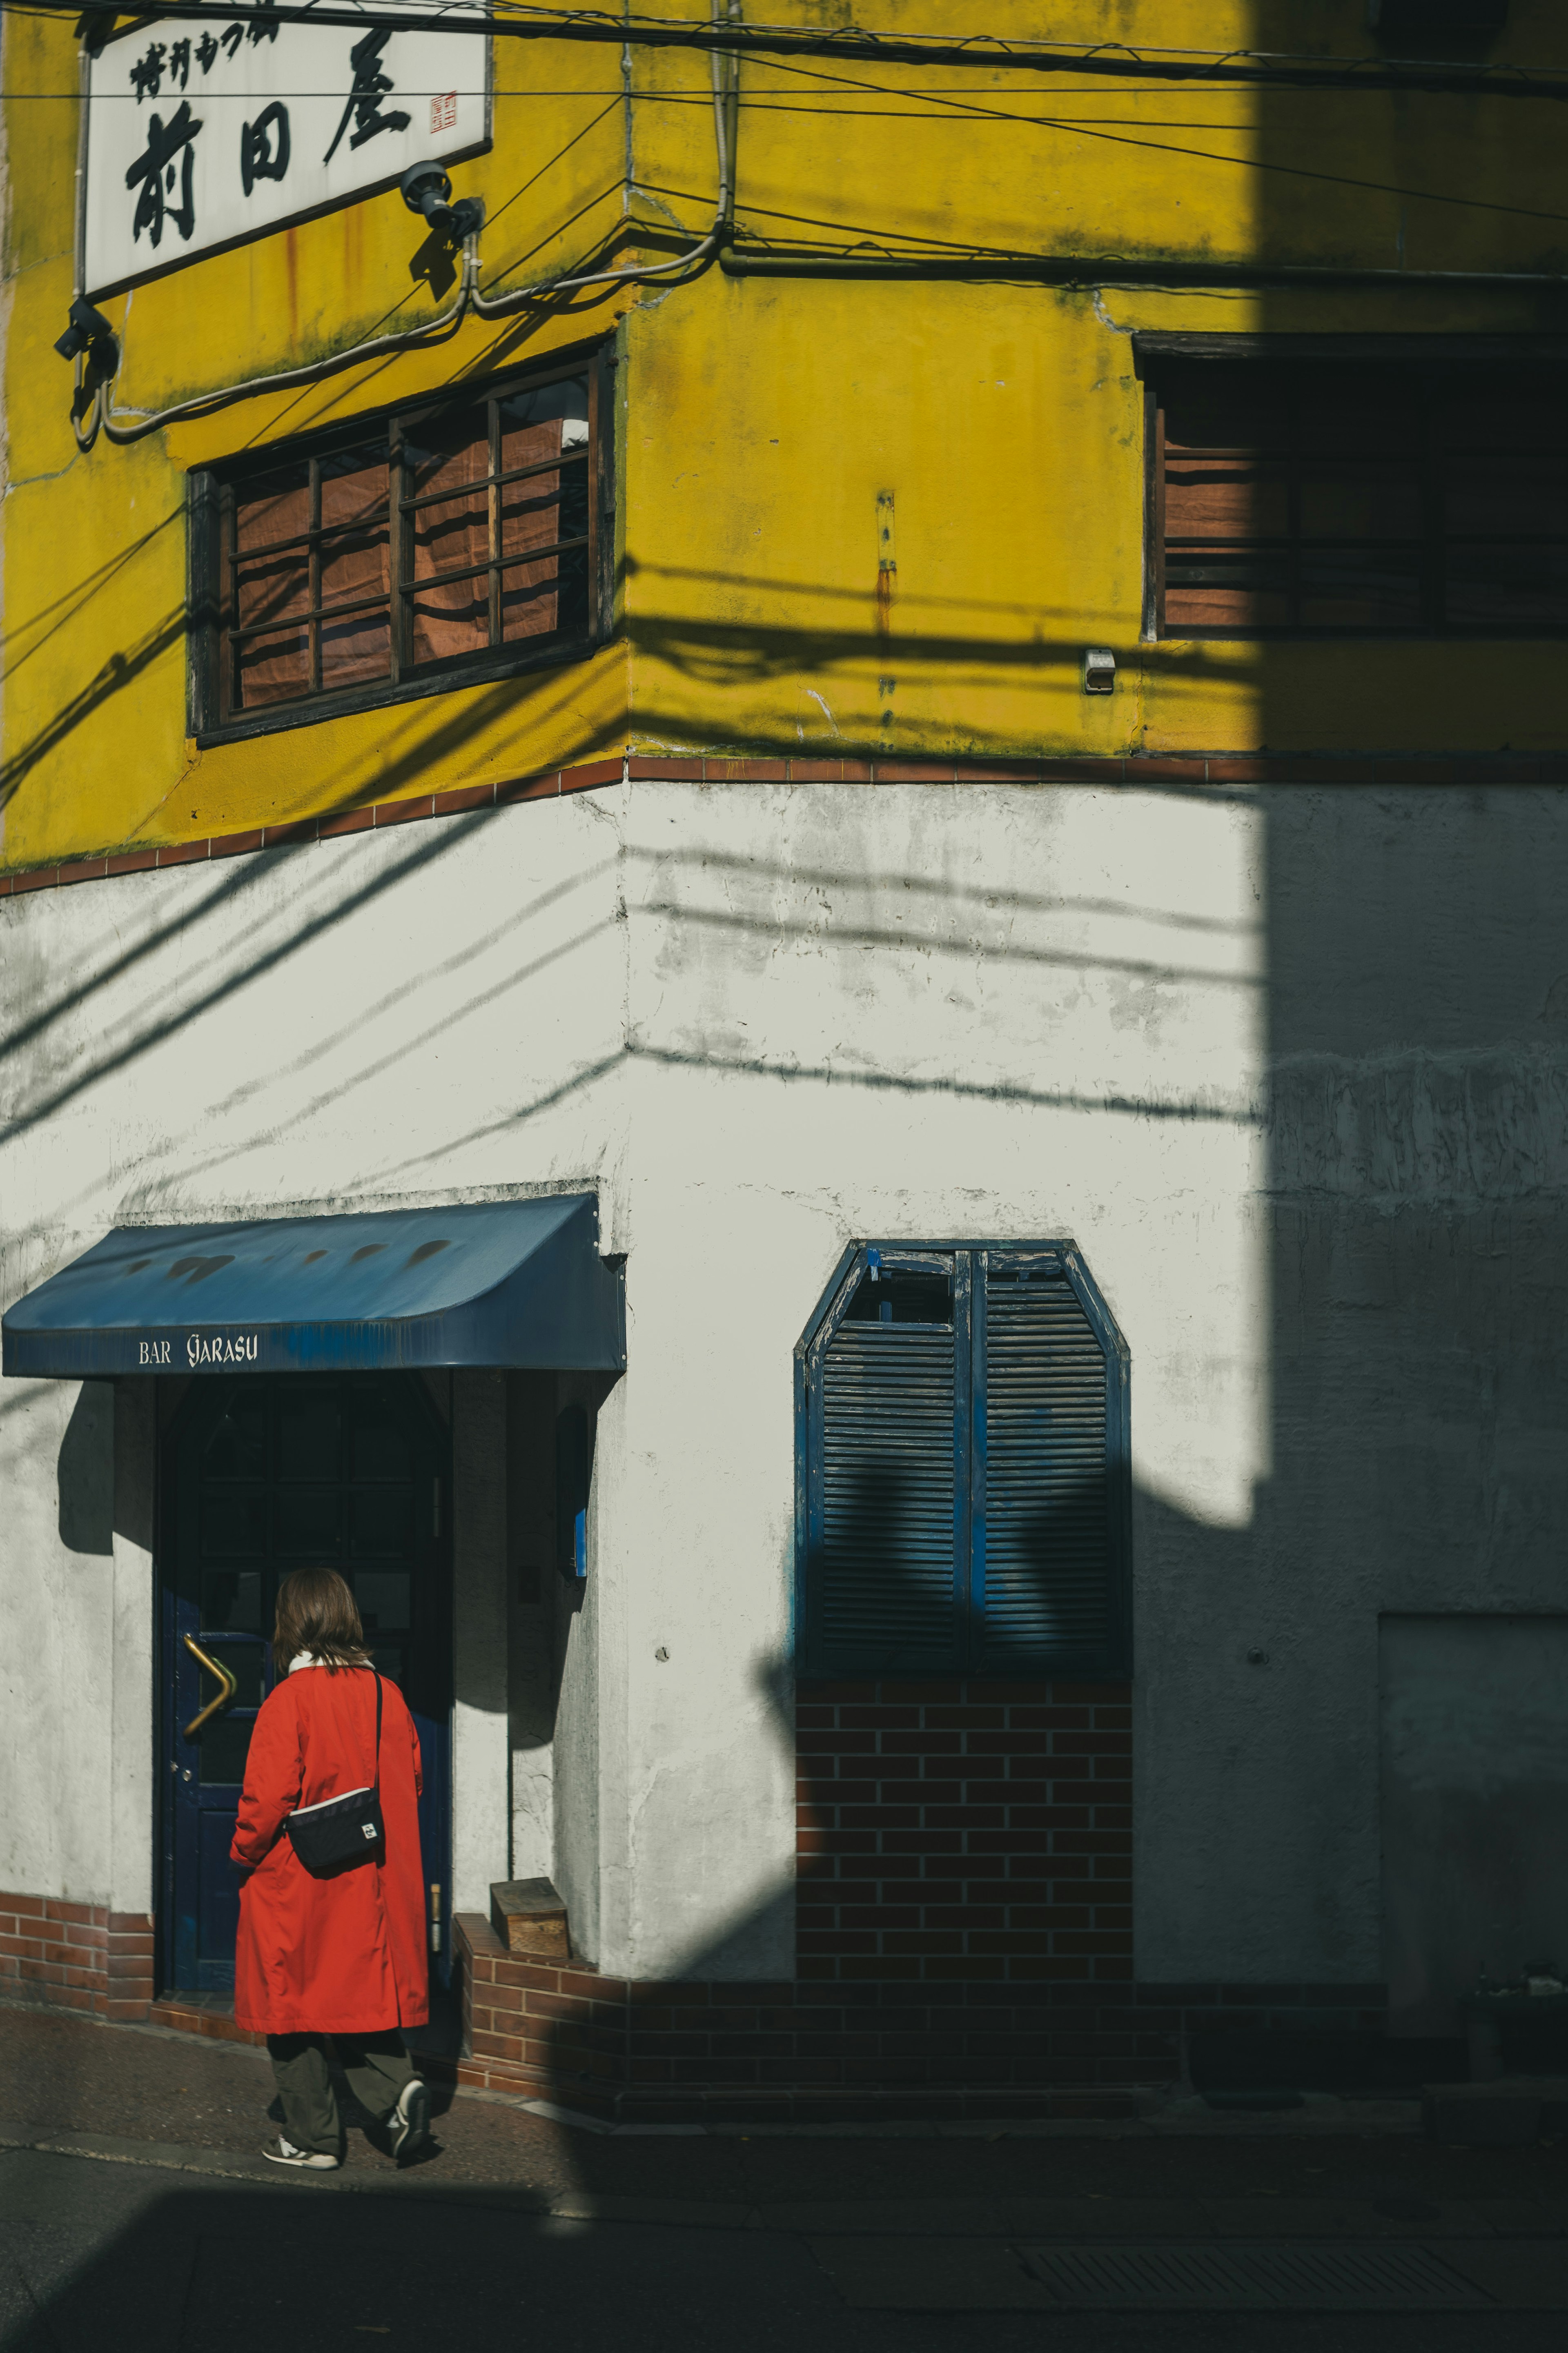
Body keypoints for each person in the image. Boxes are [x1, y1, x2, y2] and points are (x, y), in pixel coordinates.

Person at [231, 1566, 432, 2170]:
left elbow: (265, 1802)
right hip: (370, 1875)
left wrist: (242, 1852)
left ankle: (313, 2140)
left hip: (298, 1878)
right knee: (356, 1995)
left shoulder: (287, 1700)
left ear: (291, 1623)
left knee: (289, 2005)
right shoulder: (386, 1694)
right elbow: (413, 1783)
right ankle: (397, 2093)